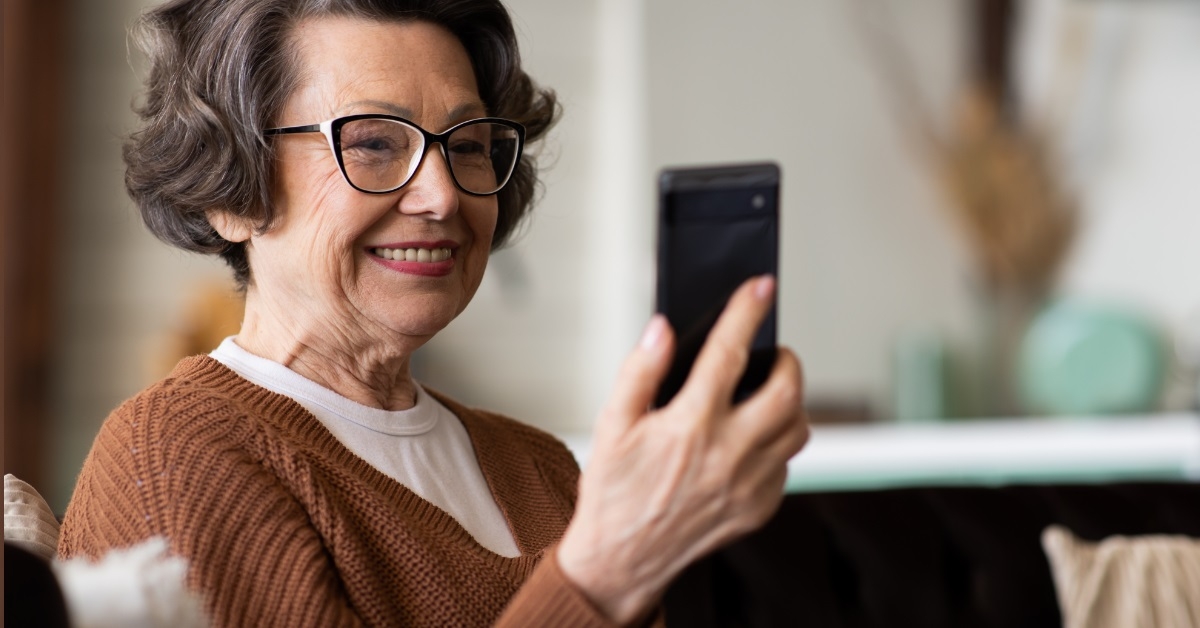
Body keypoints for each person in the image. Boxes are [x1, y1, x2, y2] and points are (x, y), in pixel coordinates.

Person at [57, 0, 810, 625]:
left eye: (468, 144)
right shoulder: (172, 456)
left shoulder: (544, 469)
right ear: (231, 192)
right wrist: (602, 572)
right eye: (375, 143)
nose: (443, 195)